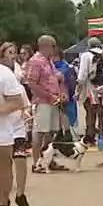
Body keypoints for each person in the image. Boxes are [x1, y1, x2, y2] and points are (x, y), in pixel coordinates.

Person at [1, 42, 32, 206]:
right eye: (9, 52)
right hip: (9, 128)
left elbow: (19, 102)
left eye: (15, 52)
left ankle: (7, 204)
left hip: (10, 130)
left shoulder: (6, 75)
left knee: (10, 166)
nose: (13, 55)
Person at [23, 35, 64, 173]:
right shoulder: (35, 61)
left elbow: (54, 78)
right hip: (42, 102)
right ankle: (37, 163)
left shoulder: (49, 61)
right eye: (53, 46)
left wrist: (59, 93)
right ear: (45, 46)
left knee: (51, 132)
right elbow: (32, 83)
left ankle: (48, 159)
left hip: (53, 101)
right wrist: (48, 96)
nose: (55, 49)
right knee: (39, 132)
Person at [79, 37, 103, 146]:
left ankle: (90, 136)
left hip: (91, 87)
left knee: (90, 112)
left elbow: (82, 75)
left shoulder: (86, 55)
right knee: (102, 113)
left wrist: (78, 88)